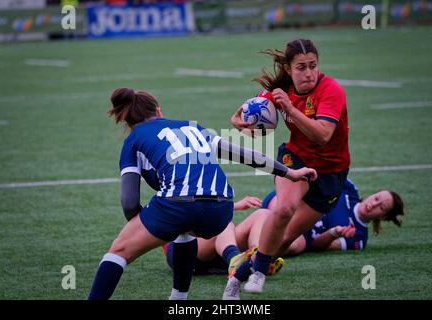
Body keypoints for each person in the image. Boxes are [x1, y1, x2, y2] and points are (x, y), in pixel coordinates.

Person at [87, 87, 317, 300]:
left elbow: (129, 203)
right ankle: (179, 299)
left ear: (127, 121)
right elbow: (245, 155)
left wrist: (140, 226)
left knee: (119, 250)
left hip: (178, 204)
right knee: (184, 232)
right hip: (222, 208)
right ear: (159, 110)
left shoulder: (133, 139)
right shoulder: (192, 127)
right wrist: (290, 173)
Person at [225, 38, 351, 299]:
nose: (308, 73)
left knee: (282, 241)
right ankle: (258, 273)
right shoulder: (281, 89)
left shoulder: (331, 91)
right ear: (288, 69)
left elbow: (323, 135)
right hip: (295, 157)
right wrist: (239, 123)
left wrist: (291, 109)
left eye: (313, 66)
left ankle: (236, 279)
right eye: (301, 68)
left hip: (331, 173)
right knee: (283, 208)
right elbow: (253, 117)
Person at [235, 179, 405, 256]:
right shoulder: (350, 190)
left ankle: (254, 255)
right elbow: (323, 177)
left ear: (383, 217)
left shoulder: (358, 238)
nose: (373, 204)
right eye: (376, 198)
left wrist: (334, 232)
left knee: (296, 245)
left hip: (303, 234)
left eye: (381, 207)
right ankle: (257, 255)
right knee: (284, 215)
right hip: (290, 203)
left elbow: (316, 246)